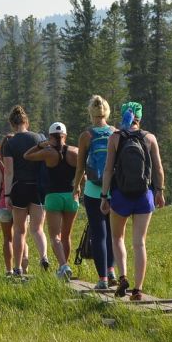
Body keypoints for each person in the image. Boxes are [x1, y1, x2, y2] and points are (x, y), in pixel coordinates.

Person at [100, 101, 165, 301]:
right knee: (139, 243)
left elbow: (108, 170)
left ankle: (122, 277)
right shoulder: (150, 138)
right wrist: (160, 191)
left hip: (121, 195)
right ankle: (137, 289)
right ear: (140, 117)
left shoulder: (115, 138)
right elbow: (158, 169)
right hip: (144, 196)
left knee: (118, 238)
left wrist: (104, 196)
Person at [25, 122, 79, 280]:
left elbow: (26, 156)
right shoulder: (74, 151)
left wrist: (41, 145)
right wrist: (78, 185)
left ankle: (63, 266)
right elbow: (84, 169)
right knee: (66, 235)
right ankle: (65, 266)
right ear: (65, 136)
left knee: (55, 236)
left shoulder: (48, 152)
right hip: (71, 196)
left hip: (53, 196)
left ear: (50, 137)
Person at [72, 95, 117, 289]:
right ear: (106, 112)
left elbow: (80, 166)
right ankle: (112, 271)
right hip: (114, 190)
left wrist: (76, 188)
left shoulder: (86, 136)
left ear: (91, 113)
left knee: (98, 234)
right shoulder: (115, 133)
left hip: (92, 191)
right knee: (114, 234)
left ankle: (102, 280)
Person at [0, 105, 46, 277]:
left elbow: (9, 171)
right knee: (38, 228)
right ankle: (43, 257)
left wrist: (7, 195)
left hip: (19, 186)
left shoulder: (10, 143)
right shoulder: (39, 138)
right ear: (26, 121)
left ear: (12, 124)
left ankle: (18, 267)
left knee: (19, 230)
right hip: (37, 187)